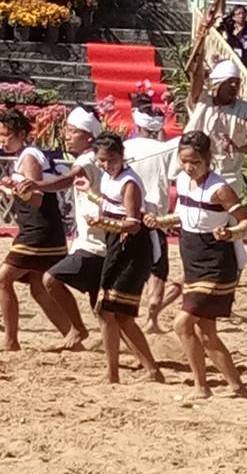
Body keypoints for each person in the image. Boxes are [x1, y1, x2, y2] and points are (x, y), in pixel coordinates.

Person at [145, 131, 247, 398]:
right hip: (192, 259)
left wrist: (231, 233)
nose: (189, 167)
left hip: (216, 263)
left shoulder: (220, 189)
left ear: (208, 159)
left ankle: (200, 385)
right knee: (206, 332)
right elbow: (183, 216)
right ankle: (236, 386)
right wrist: (160, 221)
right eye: (185, 161)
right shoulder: (182, 181)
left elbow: (246, 221)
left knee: (182, 324)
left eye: (195, 162)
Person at [16, 107, 103, 351]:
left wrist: (37, 183)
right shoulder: (90, 158)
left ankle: (77, 330)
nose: (66, 135)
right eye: (66, 129)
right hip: (91, 240)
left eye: (73, 131)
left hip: (96, 243)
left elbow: (65, 181)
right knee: (101, 306)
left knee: (51, 280)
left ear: (89, 137)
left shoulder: (87, 160)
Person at [82, 132, 163, 384]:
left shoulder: (129, 182)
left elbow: (133, 224)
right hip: (116, 245)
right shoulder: (109, 178)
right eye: (102, 161)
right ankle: (126, 370)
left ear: (121, 156)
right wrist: (90, 193)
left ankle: (137, 370)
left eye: (111, 160)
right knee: (109, 311)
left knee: (116, 312)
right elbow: (109, 202)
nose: (106, 165)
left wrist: (103, 222)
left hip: (132, 249)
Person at [0, 109, 71, 351]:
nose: (2, 140)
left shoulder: (29, 156)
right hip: (42, 228)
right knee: (38, 288)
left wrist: (15, 187)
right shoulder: (28, 155)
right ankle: (73, 335)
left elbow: (36, 197)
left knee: (3, 280)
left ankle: (11, 340)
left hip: (39, 230)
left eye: (6, 135)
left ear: (21, 134)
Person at [186, 58, 247, 275]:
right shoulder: (202, 102)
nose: (234, 87)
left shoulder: (245, 110)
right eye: (229, 82)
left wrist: (237, 146)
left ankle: (233, 268)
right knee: (199, 221)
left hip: (228, 176)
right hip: (200, 174)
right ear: (217, 83)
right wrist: (201, 35)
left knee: (228, 224)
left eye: (236, 83)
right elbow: (196, 74)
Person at [124, 105, 176, 333]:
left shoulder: (125, 147)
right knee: (157, 269)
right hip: (154, 216)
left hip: (128, 213)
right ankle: (151, 320)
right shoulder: (164, 150)